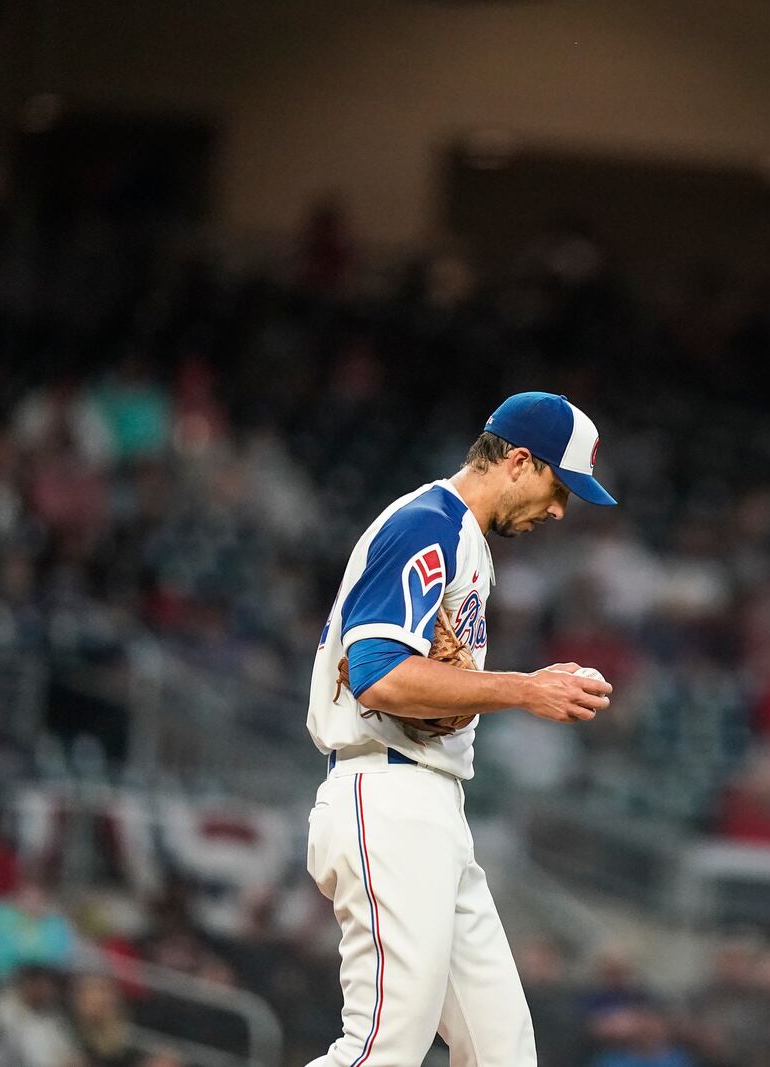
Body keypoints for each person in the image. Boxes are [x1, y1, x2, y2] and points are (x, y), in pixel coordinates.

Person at [302, 392, 617, 1066]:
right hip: (385, 791)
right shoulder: (428, 523)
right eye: (560, 487)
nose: (561, 509)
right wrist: (525, 689)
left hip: (432, 799)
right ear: (521, 461)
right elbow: (379, 674)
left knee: (503, 1051)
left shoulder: (463, 536)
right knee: (382, 1046)